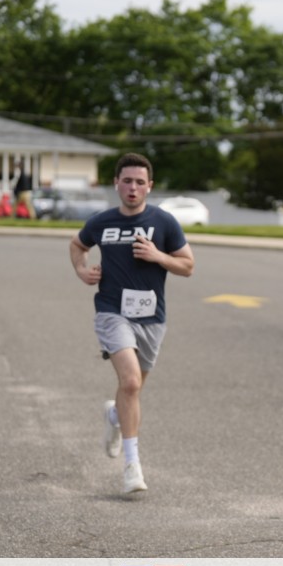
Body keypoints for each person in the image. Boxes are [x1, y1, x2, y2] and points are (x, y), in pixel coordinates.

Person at [69, 153, 194, 494]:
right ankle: (131, 467)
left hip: (152, 318)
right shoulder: (102, 222)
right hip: (112, 312)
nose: (133, 188)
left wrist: (158, 256)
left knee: (132, 390)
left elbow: (188, 266)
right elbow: (77, 245)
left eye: (140, 182)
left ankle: (114, 417)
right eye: (127, 181)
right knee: (131, 382)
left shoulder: (164, 222)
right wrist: (82, 270)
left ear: (149, 186)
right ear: (116, 183)